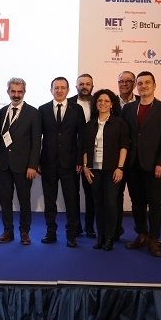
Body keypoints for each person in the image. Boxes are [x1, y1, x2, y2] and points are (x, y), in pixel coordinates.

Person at [121, 71, 161, 257]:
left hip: (154, 166)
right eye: (140, 83)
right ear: (136, 86)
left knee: (154, 203)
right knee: (137, 202)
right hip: (132, 164)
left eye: (147, 83)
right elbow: (124, 136)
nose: (143, 86)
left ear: (154, 85)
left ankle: (154, 239)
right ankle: (142, 235)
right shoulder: (128, 109)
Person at [39, 77, 85, 248]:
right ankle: (50, 232)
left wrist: (80, 160)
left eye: (62, 87)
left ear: (68, 90)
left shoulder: (77, 109)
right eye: (56, 87)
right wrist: (36, 160)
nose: (59, 90)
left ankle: (71, 235)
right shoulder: (42, 109)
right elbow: (37, 137)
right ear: (51, 90)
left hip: (70, 164)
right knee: (49, 201)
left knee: (71, 201)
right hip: (48, 163)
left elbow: (82, 137)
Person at [0, 78, 41, 246]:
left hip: (24, 166)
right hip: (4, 165)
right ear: (8, 92)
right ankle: (8, 231)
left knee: (24, 201)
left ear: (24, 92)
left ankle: (24, 232)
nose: (16, 95)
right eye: (13, 91)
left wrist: (32, 165)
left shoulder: (33, 113)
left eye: (19, 91)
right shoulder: (1, 112)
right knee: (5, 201)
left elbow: (36, 142)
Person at [82, 89, 129, 251]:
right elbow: (85, 148)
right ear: (95, 104)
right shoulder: (90, 125)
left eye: (106, 101)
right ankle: (100, 236)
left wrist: (120, 168)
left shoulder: (119, 123)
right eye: (100, 101)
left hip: (112, 170)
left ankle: (110, 237)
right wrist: (85, 167)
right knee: (98, 204)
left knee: (110, 204)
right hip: (94, 170)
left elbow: (124, 147)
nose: (103, 103)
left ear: (112, 104)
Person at [70, 73, 95, 238]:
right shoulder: (69, 103)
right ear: (76, 86)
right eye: (81, 84)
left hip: (93, 155)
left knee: (90, 193)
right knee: (73, 194)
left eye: (87, 84)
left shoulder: (99, 102)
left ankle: (89, 226)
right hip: (72, 155)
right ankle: (76, 225)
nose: (84, 87)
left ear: (92, 86)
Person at [115, 70, 139, 239]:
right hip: (115, 158)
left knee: (137, 197)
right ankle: (115, 230)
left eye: (128, 81)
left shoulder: (142, 101)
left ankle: (140, 233)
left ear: (134, 84)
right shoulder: (110, 103)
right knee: (115, 196)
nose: (124, 84)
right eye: (121, 81)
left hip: (137, 158)